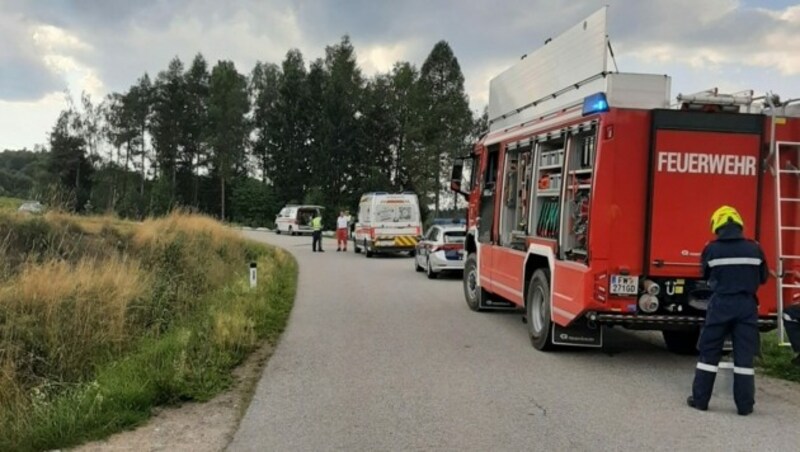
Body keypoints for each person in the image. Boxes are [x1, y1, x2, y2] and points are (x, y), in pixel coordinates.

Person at [687, 205, 768, 416]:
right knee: (744, 357)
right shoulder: (755, 248)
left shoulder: (712, 249)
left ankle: (700, 400)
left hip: (721, 303)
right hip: (746, 305)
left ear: (717, 225)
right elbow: (763, 277)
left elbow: (705, 276)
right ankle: (745, 406)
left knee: (709, 352)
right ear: (739, 224)